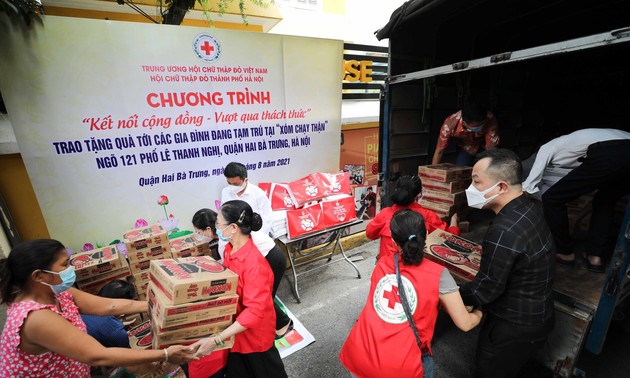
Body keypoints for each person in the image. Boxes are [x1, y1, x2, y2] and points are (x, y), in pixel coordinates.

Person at [0, 239, 196, 377]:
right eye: (65, 265)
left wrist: (165, 306)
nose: (71, 269)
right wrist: (166, 354)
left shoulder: (58, 292)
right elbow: (97, 355)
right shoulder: (36, 318)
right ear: (39, 276)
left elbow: (109, 305)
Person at [340, 209, 483, 378]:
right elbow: (465, 324)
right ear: (427, 234)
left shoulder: (382, 264)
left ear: (393, 241)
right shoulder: (438, 275)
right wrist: (481, 310)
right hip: (398, 367)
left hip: (359, 352)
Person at [458, 149, 555, 378]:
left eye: (476, 182)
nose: (471, 189)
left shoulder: (503, 231)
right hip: (541, 313)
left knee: (489, 370)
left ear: (501, 187)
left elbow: (485, 290)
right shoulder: (531, 205)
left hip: (514, 324)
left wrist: (449, 295)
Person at [191, 201, 287, 378]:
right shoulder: (230, 249)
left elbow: (255, 311)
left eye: (218, 223)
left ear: (233, 227)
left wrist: (217, 339)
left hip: (254, 338)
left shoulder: (254, 265)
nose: (216, 227)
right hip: (236, 332)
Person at [193, 209, 292, 338]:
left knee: (263, 298)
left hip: (270, 257)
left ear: (207, 229)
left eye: (198, 232)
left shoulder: (226, 238)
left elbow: (230, 268)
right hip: (263, 257)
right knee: (260, 298)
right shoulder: (225, 231)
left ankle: (284, 324)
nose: (197, 235)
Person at [540, 136, 630, 272]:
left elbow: (529, 185)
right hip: (622, 156)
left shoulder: (548, 147)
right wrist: (577, 219)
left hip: (611, 152)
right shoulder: (605, 135)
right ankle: (595, 257)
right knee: (605, 201)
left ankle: (565, 252)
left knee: (551, 198)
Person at [366, 175, 460, 261]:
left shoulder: (384, 214)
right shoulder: (428, 216)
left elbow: (370, 233)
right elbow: (449, 239)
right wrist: (454, 223)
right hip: (416, 269)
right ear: (419, 195)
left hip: (387, 269)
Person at [522, 128, 630, 197]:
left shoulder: (546, 148)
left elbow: (528, 186)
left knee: (551, 198)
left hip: (616, 149)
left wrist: (525, 188)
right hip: (620, 145)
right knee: (603, 202)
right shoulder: (571, 147)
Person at [431, 99, 500, 166]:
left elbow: (491, 149)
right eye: (477, 126)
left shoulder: (490, 119)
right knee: (462, 169)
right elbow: (440, 150)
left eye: (482, 124)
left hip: (485, 146)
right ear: (465, 123)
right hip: (466, 147)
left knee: (487, 168)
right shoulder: (450, 124)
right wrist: (432, 172)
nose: (480, 127)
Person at [220, 162, 273, 237]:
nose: (232, 186)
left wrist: (255, 238)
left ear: (246, 180)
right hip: (234, 236)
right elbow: (224, 215)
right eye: (229, 183)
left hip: (255, 236)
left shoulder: (258, 194)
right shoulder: (225, 192)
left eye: (236, 184)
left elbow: (267, 219)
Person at [81, 279, 138, 348]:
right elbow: (128, 354)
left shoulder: (83, 305)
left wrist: (118, 324)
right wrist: (116, 327)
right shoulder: (116, 332)